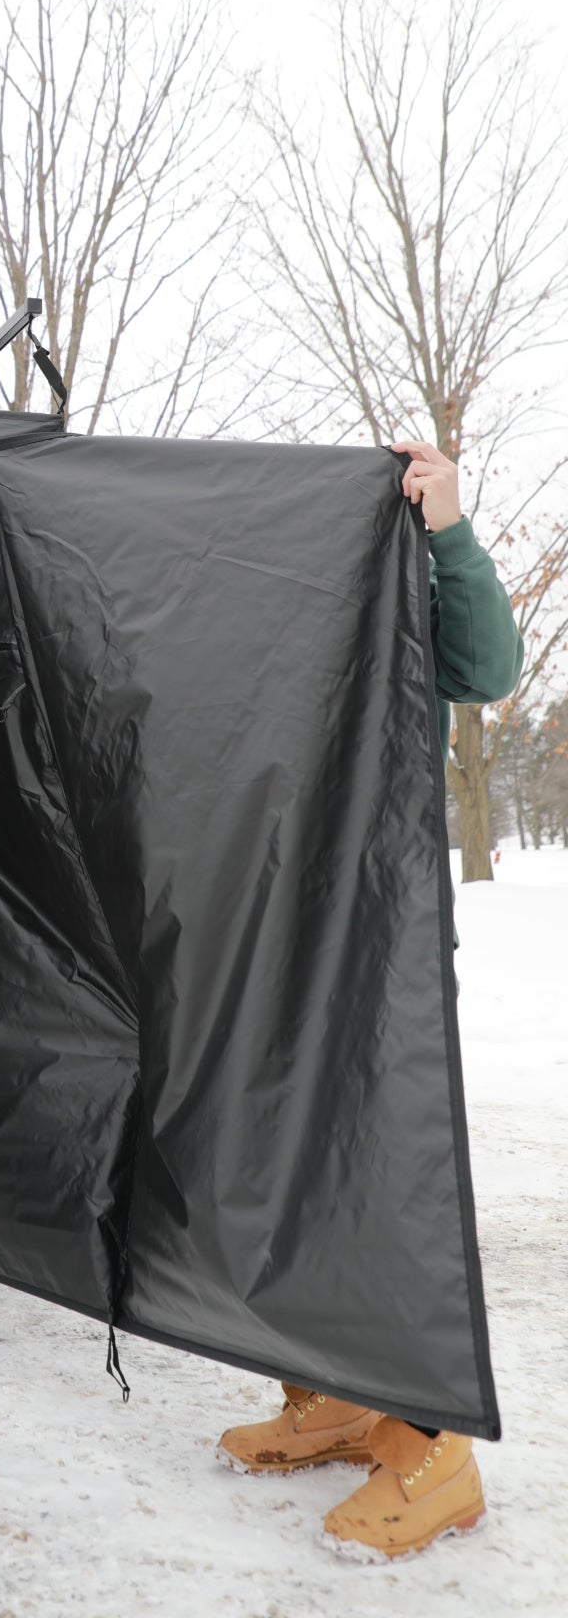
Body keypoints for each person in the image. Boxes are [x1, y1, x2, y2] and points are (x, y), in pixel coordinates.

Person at [216, 437, 524, 1563]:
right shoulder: (243, 622)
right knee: (284, 1166)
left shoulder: (386, 592)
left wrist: (441, 524)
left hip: (379, 937)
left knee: (385, 1166)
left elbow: (486, 667)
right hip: (264, 938)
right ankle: (337, 1396)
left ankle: (436, 1449)